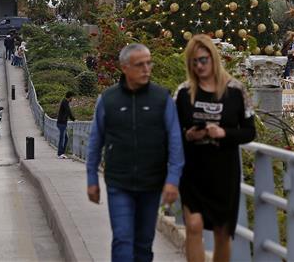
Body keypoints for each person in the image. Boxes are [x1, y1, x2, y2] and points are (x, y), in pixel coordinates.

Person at [86, 43, 184, 262]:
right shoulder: (108, 100)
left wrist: (173, 180)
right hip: (118, 182)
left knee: (143, 244)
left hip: (152, 183)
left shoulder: (161, 99)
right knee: (122, 238)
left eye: (149, 63)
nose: (146, 69)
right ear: (125, 68)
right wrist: (91, 178)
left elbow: (175, 141)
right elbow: (95, 141)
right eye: (140, 65)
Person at [175, 34, 255, 262]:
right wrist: (188, 134)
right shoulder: (182, 93)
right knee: (193, 225)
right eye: (194, 61)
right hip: (192, 172)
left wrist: (224, 133)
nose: (199, 65)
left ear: (213, 58)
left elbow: (250, 131)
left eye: (203, 59)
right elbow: (171, 133)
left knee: (222, 232)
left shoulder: (236, 91)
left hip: (224, 173)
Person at [57, 91, 75, 159]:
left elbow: (68, 112)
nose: (72, 99)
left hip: (63, 123)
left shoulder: (65, 102)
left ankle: (62, 153)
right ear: (70, 97)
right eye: (72, 97)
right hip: (61, 123)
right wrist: (74, 119)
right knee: (62, 138)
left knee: (66, 138)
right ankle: (60, 153)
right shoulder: (64, 102)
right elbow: (68, 111)